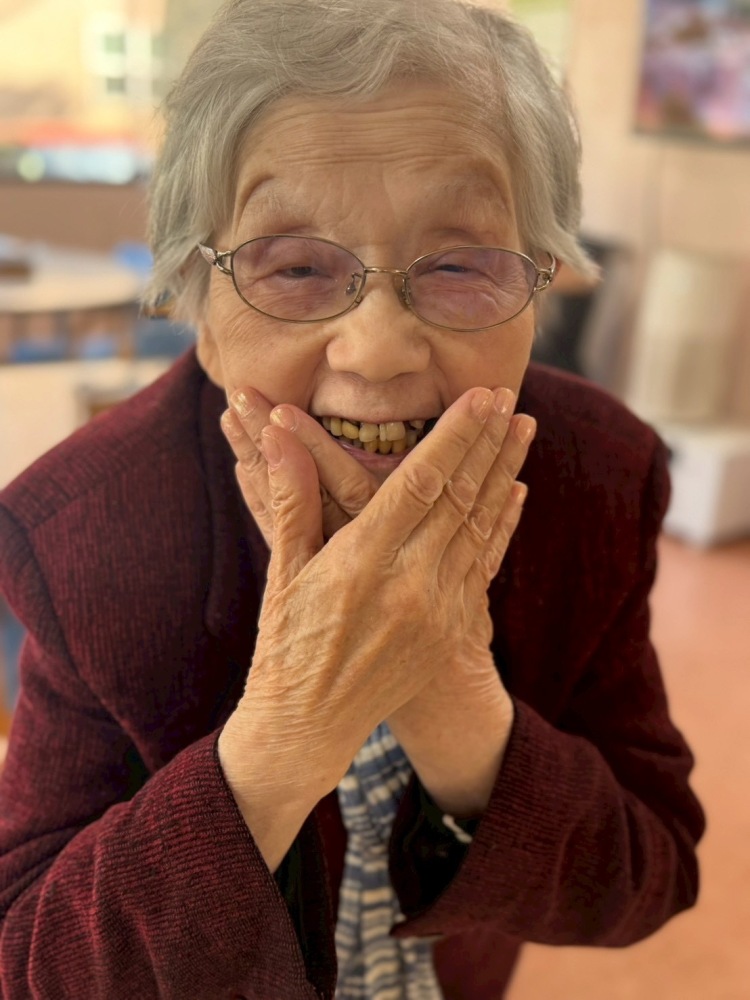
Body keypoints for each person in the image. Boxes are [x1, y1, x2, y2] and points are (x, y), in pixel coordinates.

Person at [0, 1, 705, 997]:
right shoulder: (81, 533)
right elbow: (30, 960)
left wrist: (453, 697)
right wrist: (287, 732)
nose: (376, 351)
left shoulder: (600, 478)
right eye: (294, 267)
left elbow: (650, 872)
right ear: (201, 315)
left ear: (539, 289)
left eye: (458, 265)